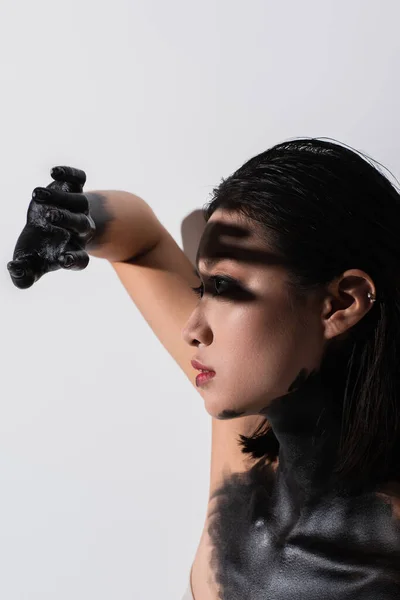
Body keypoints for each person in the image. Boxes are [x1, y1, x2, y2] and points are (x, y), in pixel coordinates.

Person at [8, 137, 400, 599]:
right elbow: (141, 243)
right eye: (202, 288)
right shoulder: (245, 450)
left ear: (341, 303)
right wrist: (77, 216)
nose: (192, 328)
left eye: (224, 287)